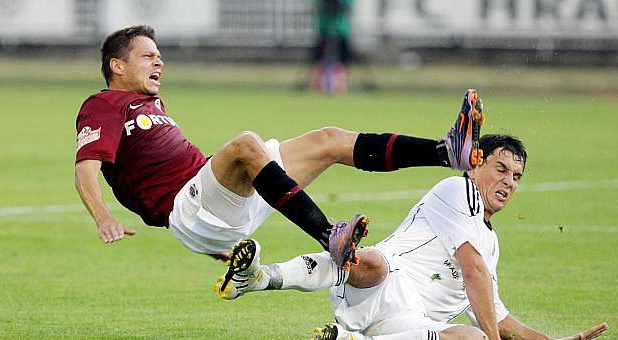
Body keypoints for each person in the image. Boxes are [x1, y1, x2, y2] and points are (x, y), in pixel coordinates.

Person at [74, 25, 484, 267]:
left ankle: (446, 152)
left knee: (328, 140)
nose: (158, 62)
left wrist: (220, 245)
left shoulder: (149, 104)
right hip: (190, 210)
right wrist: (102, 218)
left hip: (219, 208)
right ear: (117, 65)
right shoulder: (103, 105)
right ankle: (329, 236)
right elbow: (86, 167)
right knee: (245, 145)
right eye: (148, 56)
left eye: (159, 56)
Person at [215, 135, 608, 340]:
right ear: (474, 165)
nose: (509, 182)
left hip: (409, 326)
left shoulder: (490, 243)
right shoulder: (459, 190)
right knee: (369, 260)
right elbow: (472, 271)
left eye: (517, 176)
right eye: (500, 168)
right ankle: (261, 277)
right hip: (378, 283)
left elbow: (497, 316)